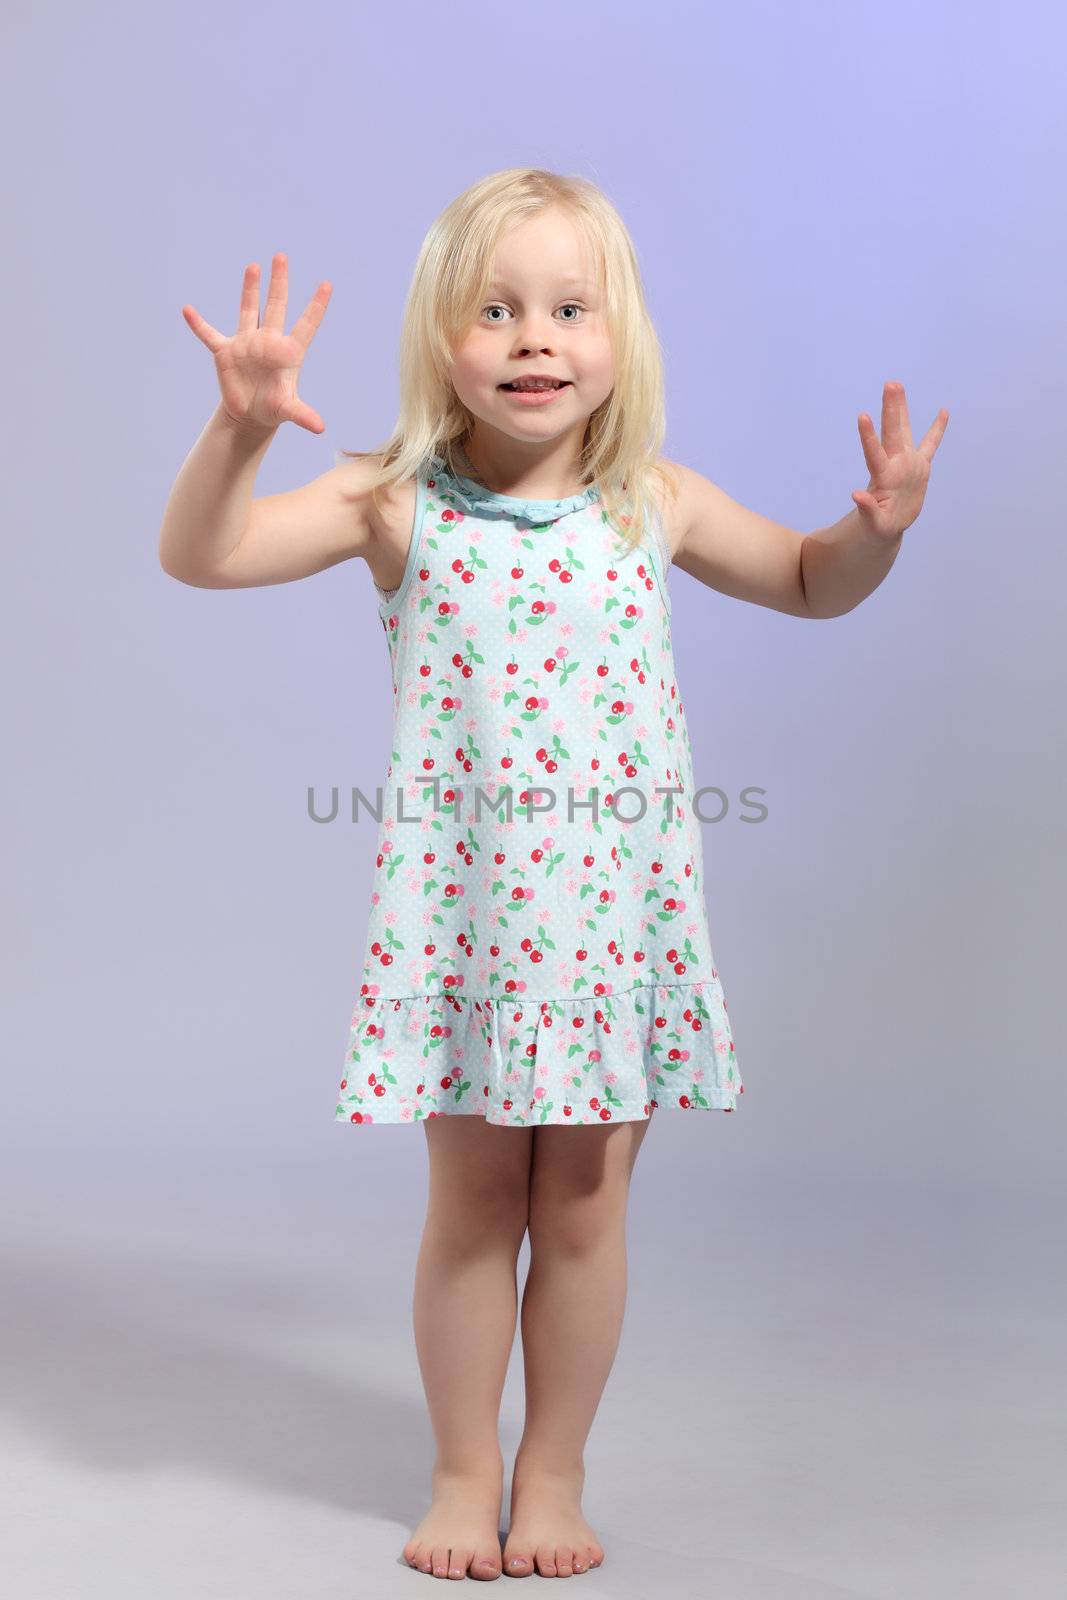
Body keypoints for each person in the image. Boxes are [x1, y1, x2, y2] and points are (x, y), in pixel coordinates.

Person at [160, 166, 948, 1582]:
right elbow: (204, 555)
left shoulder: (655, 500)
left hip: (608, 934)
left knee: (583, 1209)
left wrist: (875, 531)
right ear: (438, 341)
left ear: (617, 334)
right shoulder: (396, 505)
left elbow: (812, 583)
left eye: (569, 308)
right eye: (497, 311)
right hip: (466, 931)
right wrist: (236, 433)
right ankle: (466, 1470)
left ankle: (556, 1469)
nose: (536, 338)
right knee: (473, 1207)